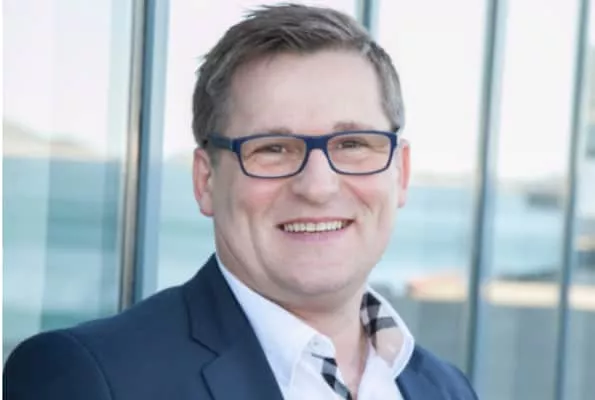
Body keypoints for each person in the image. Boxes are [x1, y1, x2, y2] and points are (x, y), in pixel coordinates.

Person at [3, 4, 478, 399]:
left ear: (400, 172)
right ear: (206, 181)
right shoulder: (90, 379)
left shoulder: (446, 388)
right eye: (272, 149)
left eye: (352, 144)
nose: (317, 186)